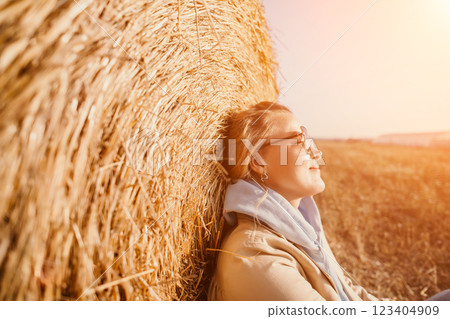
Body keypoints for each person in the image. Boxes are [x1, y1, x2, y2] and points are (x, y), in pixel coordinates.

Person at [207, 101, 449, 301]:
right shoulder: (254, 257)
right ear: (258, 161)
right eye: (299, 140)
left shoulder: (301, 226)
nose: (316, 152)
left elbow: (350, 294)